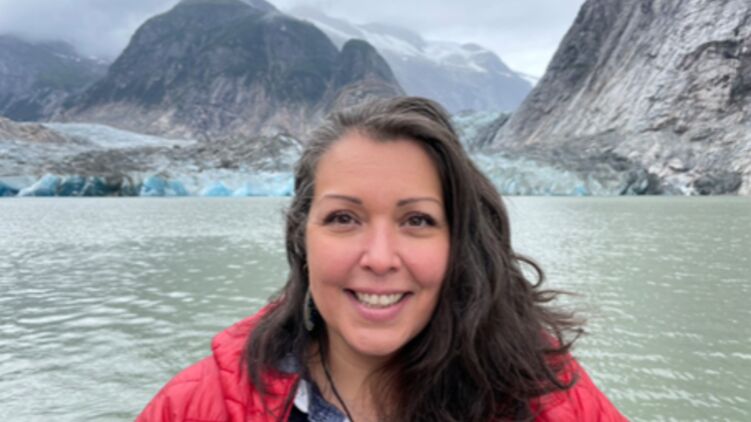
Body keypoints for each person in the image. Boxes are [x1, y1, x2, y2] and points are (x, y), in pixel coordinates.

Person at [137, 97, 627, 421]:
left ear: (459, 243)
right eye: (343, 218)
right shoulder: (199, 405)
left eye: (417, 220)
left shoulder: (547, 398)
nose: (379, 258)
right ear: (302, 237)